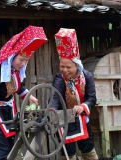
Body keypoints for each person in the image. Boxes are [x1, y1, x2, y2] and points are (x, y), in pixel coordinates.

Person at [0, 25, 47, 160]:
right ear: (12, 57)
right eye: (21, 59)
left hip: (9, 115)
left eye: (26, 61)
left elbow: (17, 86)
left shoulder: (15, 73)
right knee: (1, 155)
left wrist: (27, 95)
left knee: (9, 153)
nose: (23, 63)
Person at [52, 28, 98, 160]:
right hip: (64, 121)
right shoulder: (60, 78)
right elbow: (56, 96)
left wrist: (83, 106)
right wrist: (53, 110)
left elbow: (92, 98)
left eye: (68, 67)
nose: (64, 70)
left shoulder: (87, 77)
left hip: (82, 118)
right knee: (68, 153)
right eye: (62, 66)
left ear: (77, 66)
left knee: (88, 150)